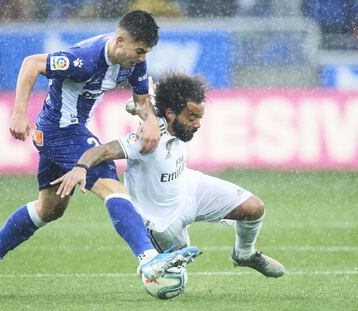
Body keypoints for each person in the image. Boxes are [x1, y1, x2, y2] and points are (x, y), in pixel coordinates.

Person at [0, 11, 200, 297]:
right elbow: (32, 64)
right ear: (121, 40)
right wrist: (18, 113)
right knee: (113, 187)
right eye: (139, 51)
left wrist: (150, 119)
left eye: (145, 53)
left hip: (64, 132)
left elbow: (140, 100)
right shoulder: (84, 59)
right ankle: (148, 258)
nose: (141, 58)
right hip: (61, 131)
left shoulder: (134, 60)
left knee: (50, 208)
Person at [52, 73, 286, 279]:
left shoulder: (159, 111)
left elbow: (138, 102)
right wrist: (81, 167)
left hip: (189, 187)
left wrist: (140, 107)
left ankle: (244, 254)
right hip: (162, 222)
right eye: (192, 117)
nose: (198, 124)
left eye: (200, 117)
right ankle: (150, 270)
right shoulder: (148, 138)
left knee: (254, 208)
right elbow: (102, 150)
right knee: (172, 282)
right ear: (171, 114)